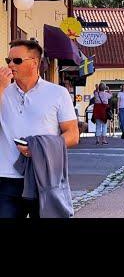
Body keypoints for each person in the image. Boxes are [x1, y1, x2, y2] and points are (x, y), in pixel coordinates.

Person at [0, 39, 79, 218]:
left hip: (44, 177)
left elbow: (73, 135)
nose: (11, 65)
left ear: (34, 63)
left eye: (17, 61)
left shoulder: (58, 93)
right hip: (6, 179)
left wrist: (39, 147)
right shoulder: (3, 91)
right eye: (8, 60)